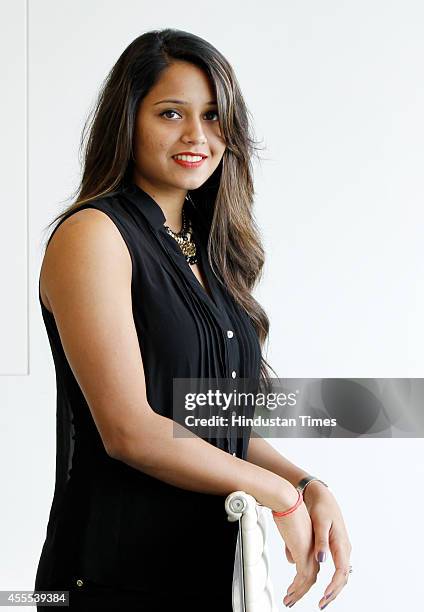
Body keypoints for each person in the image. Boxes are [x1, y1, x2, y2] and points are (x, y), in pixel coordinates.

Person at [34, 28, 352, 611]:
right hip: (113, 578)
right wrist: (277, 497)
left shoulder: (206, 252)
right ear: (127, 121)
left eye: (213, 116)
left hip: (211, 571)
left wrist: (307, 487)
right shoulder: (94, 236)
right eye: (171, 113)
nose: (196, 137)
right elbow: (131, 430)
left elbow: (210, 423)